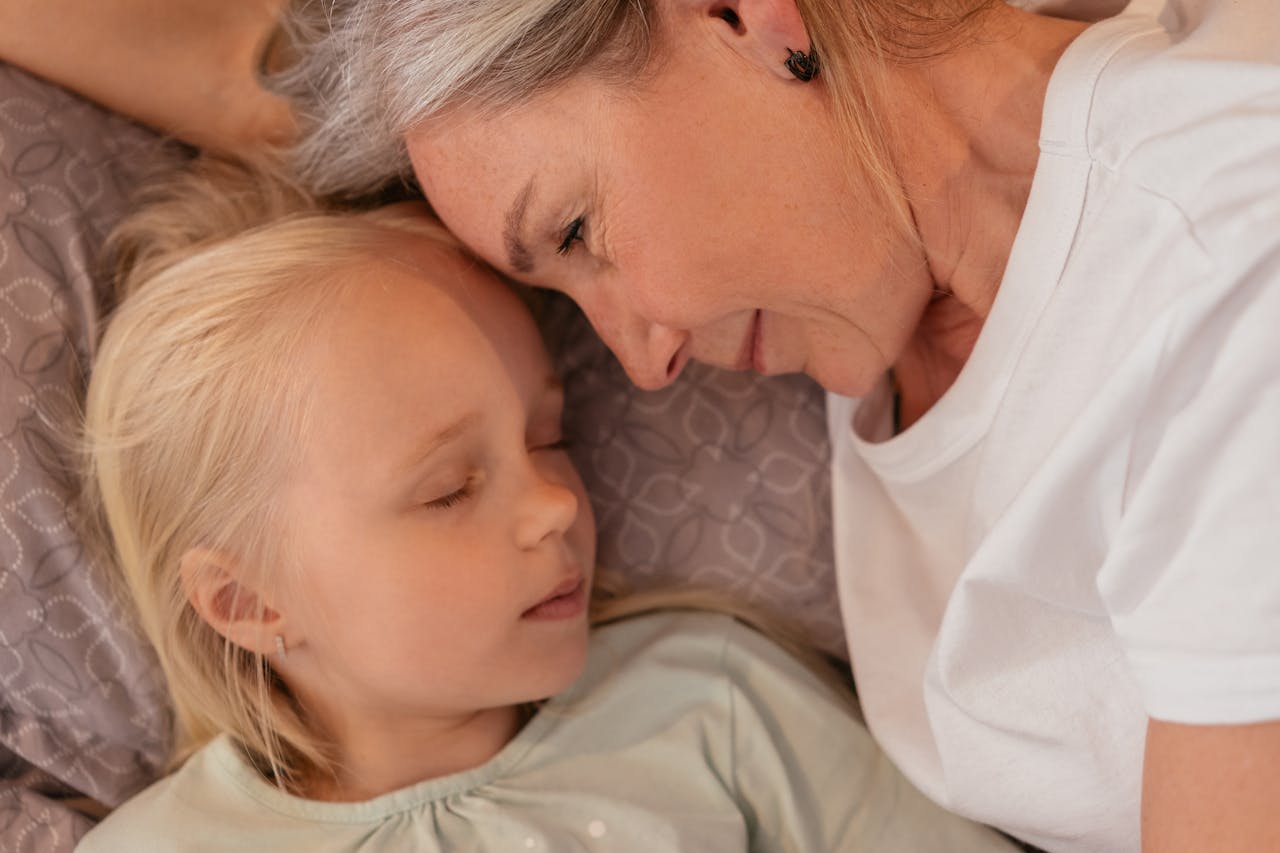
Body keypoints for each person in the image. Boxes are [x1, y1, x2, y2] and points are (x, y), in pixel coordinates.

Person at [3, 0, 1277, 848]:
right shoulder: (873, 286)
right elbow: (259, 84)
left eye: (577, 235)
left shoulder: (1221, 261)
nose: (645, 359)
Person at [74, 160, 1013, 852]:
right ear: (248, 601)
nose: (556, 504)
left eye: (548, 438)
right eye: (448, 490)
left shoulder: (708, 701)